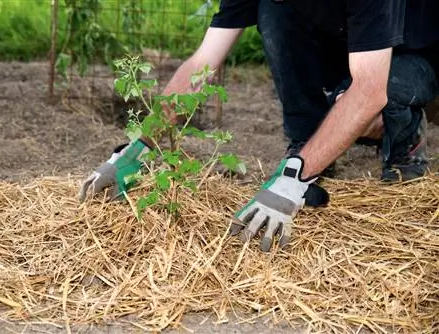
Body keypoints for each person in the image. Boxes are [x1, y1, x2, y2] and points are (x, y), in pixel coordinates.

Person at [79, 0, 439, 252]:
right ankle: (307, 142)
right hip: (346, 48)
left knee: (365, 106)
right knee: (274, 10)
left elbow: (369, 92)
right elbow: (203, 63)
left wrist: (293, 179)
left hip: (410, 56)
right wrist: (137, 148)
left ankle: (405, 139)